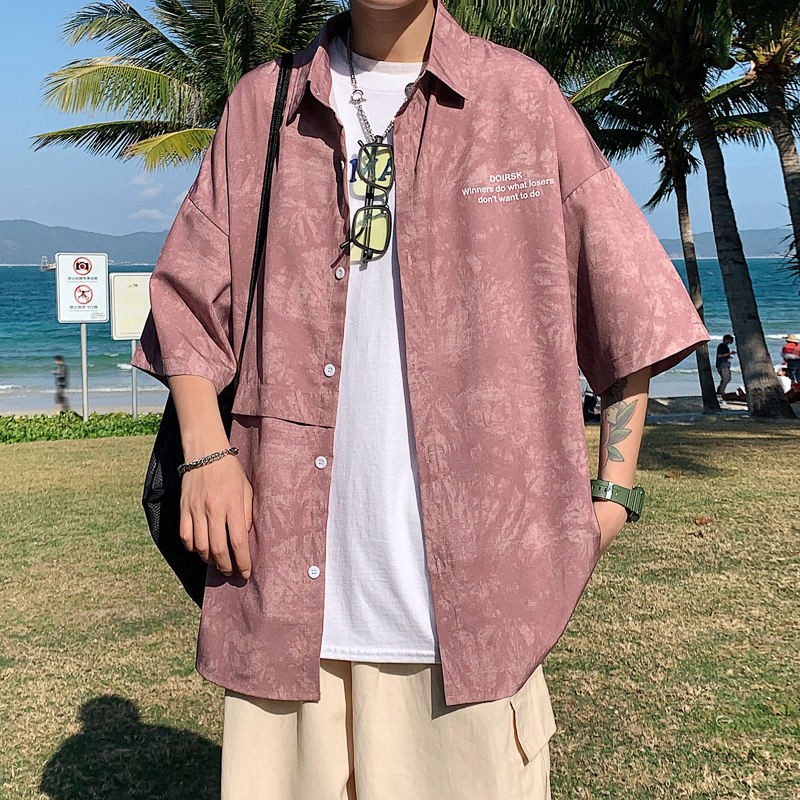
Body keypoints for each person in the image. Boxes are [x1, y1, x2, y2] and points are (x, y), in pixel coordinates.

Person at [132, 1, 709, 796]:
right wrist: (205, 451)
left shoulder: (518, 100)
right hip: (283, 607)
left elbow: (629, 306)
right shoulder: (264, 104)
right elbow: (189, 301)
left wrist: (613, 495)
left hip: (476, 623)